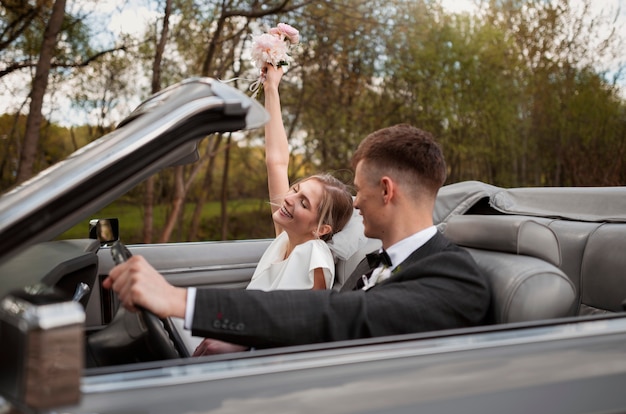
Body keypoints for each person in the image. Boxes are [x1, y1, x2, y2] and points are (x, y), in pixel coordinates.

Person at [103, 123, 492, 351]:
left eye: (361, 190)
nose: (356, 203)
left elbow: (336, 315)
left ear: (387, 191)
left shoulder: (454, 276)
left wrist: (178, 300)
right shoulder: (375, 264)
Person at [245, 64, 353, 291]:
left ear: (322, 229)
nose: (289, 199)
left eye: (304, 203)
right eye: (296, 190)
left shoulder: (313, 256)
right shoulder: (287, 238)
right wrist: (271, 86)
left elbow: (305, 321)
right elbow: (276, 162)